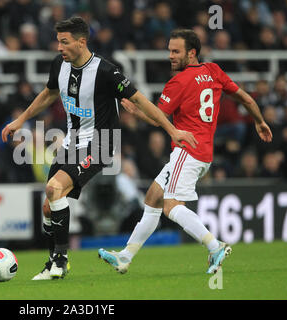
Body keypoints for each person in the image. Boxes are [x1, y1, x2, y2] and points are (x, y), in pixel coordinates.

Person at [1, 17, 197, 280]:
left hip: (101, 144)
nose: (59, 47)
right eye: (58, 41)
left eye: (64, 42)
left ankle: (60, 261)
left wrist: (172, 130)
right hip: (71, 142)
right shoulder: (59, 64)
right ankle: (53, 263)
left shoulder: (106, 72)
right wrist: (21, 120)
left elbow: (140, 100)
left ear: (82, 42)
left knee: (54, 188)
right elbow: (49, 93)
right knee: (49, 206)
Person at [98, 29, 273, 275]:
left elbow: (159, 119)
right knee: (153, 198)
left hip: (186, 150)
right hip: (204, 152)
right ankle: (125, 257)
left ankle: (215, 246)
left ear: (191, 53)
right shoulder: (213, 71)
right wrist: (259, 122)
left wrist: (136, 112)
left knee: (170, 206)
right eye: (169, 50)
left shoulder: (179, 82)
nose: (170, 55)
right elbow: (246, 99)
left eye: (175, 51)